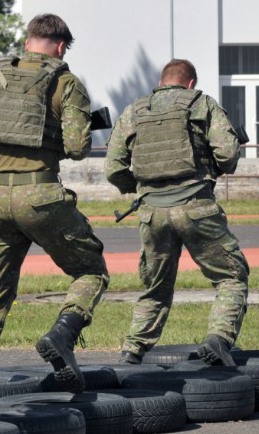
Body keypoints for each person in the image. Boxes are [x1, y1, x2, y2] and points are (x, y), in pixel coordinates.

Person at [0, 14, 109, 392]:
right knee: (92, 272)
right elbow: (77, 148)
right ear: (60, 46)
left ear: (27, 42)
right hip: (41, 195)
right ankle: (62, 333)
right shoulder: (66, 83)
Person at [104, 58, 249, 366]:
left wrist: (143, 188)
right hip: (197, 208)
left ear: (161, 81)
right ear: (190, 83)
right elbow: (228, 155)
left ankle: (132, 350)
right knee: (231, 277)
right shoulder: (203, 104)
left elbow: (113, 168)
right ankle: (219, 339)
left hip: (152, 214)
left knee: (156, 287)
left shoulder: (134, 110)